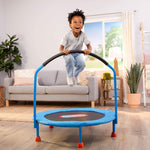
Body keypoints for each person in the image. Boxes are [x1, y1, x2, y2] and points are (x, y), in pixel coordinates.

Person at [59, 9, 92, 86]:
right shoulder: (67, 35)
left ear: (82, 25)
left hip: (78, 54)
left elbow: (89, 46)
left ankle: (75, 75)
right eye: (75, 22)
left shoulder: (83, 35)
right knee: (70, 59)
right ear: (70, 25)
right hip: (68, 54)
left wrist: (88, 50)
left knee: (82, 64)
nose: (78, 24)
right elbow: (61, 49)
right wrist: (63, 52)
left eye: (80, 22)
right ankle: (69, 76)